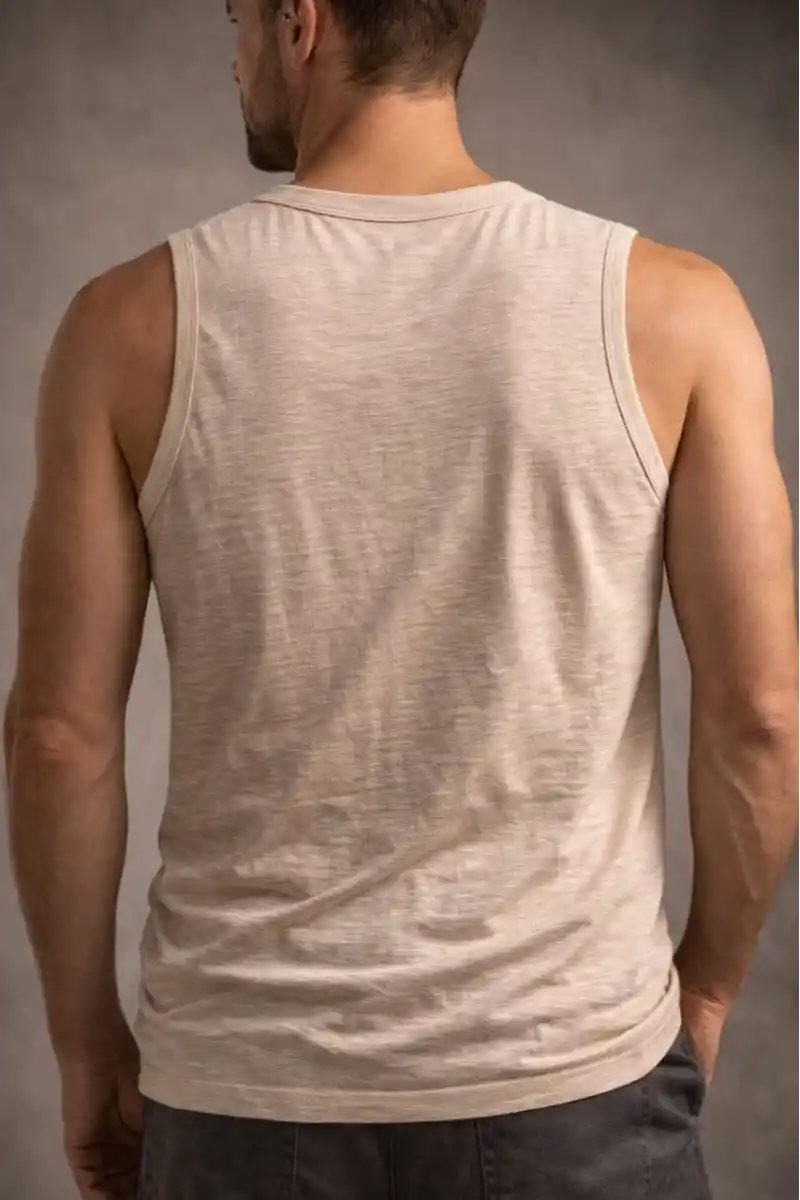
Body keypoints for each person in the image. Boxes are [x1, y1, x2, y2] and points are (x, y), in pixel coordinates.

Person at [5, 1, 799, 1197]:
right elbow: (759, 715)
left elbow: (58, 735)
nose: (231, 58)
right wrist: (707, 992)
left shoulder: (127, 324)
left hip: (242, 1089)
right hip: (571, 1079)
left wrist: (84, 1050)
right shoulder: (675, 310)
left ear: (301, 23)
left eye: (236, 18)